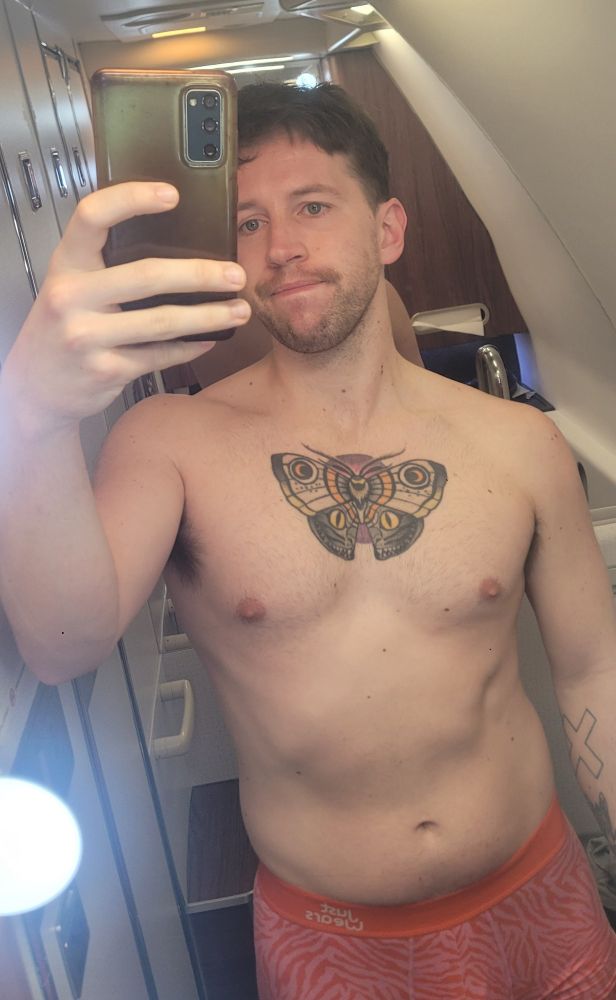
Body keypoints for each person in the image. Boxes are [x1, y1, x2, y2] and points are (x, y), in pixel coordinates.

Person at [1, 82, 615, 999]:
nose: (280, 246)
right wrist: (34, 410)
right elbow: (61, 645)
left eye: (313, 207)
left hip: (544, 900)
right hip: (334, 944)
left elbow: (593, 668)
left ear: (388, 229)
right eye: (246, 223)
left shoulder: (520, 443)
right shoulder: (169, 444)